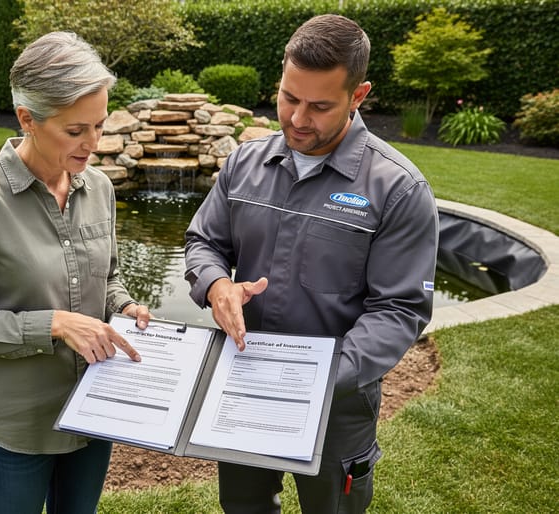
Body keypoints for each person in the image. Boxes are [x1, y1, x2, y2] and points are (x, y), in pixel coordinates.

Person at [184, 14, 439, 514]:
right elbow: (203, 242)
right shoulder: (244, 163)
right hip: (245, 386)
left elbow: (399, 310)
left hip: (337, 408)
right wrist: (216, 286)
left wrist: (318, 378)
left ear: (358, 95)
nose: (298, 119)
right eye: (288, 98)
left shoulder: (399, 189)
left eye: (320, 106)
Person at [0, 31, 151, 514]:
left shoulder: (99, 189)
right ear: (27, 119)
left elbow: (108, 277)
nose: (94, 144)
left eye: (99, 124)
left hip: (93, 412)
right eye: (76, 131)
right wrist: (52, 324)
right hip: (15, 428)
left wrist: (124, 305)